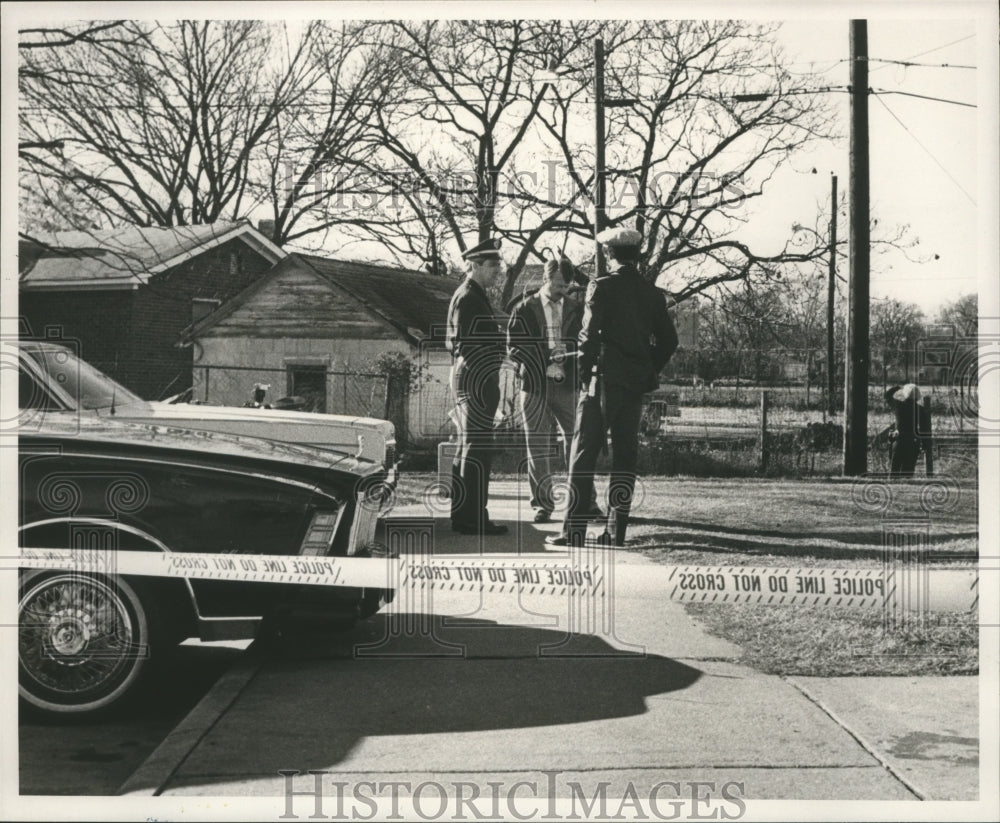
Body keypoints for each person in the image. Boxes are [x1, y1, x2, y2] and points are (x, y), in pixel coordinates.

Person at [546, 227, 678, 548]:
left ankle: (574, 531)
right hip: (632, 387)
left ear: (609, 254)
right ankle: (615, 533)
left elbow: (588, 338)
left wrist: (582, 377)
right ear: (637, 254)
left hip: (600, 383)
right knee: (625, 459)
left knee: (582, 455)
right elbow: (669, 341)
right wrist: (646, 369)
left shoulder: (600, 287)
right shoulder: (651, 294)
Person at [507, 258, 600, 523]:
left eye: (566, 285)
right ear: (546, 279)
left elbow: (587, 343)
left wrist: (573, 362)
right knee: (537, 447)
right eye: (558, 284)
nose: (563, 289)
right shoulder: (524, 309)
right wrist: (542, 364)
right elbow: (514, 347)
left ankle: (586, 503)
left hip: (569, 386)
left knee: (578, 444)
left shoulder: (578, 309)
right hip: (534, 387)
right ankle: (542, 505)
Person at [446, 237, 509, 535]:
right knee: (477, 448)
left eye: (499, 264)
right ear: (476, 265)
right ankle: (472, 519)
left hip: (473, 377)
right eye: (493, 265)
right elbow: (467, 346)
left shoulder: (474, 294)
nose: (498, 270)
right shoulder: (469, 297)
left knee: (469, 448)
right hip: (476, 378)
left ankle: (465, 517)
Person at [885, 383, 923, 477]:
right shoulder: (920, 409)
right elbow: (924, 428)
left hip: (899, 440)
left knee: (894, 470)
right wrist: (924, 444)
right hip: (913, 441)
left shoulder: (898, 405)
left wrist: (897, 387)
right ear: (918, 396)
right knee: (908, 472)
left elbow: (887, 396)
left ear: (905, 394)